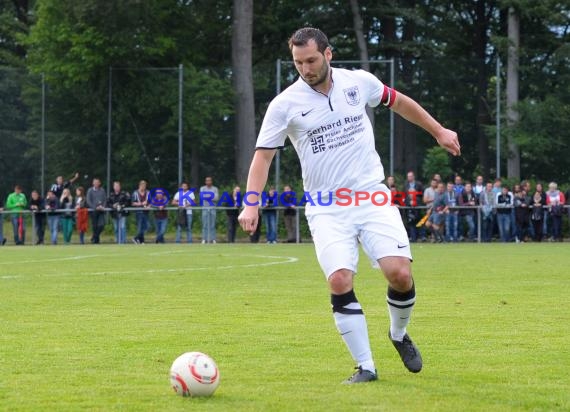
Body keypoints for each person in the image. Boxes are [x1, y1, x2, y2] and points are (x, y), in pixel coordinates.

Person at [237, 28, 460, 384]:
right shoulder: (285, 104)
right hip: (326, 206)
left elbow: (400, 102)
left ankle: (398, 335)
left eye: (310, 60)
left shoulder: (359, 83)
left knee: (400, 274)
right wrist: (252, 204)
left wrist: (438, 131)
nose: (305, 69)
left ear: (328, 54)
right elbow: (262, 158)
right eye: (298, 63)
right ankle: (366, 367)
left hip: (371, 196)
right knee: (339, 279)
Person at [86, 178, 107, 244]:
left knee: (102, 225)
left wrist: (102, 206)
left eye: (97, 182)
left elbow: (105, 199)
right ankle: (96, 240)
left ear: (99, 183)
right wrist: (95, 207)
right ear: (93, 183)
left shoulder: (102, 190)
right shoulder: (90, 190)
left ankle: (94, 237)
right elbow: (88, 201)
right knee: (95, 226)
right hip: (94, 211)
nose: (96, 183)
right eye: (95, 182)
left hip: (101, 210)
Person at [200, 177, 219, 244]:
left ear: (211, 181)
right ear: (205, 182)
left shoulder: (215, 189)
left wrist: (207, 196)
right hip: (205, 208)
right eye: (207, 180)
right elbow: (202, 197)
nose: (208, 182)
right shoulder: (202, 188)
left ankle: (213, 239)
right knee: (205, 224)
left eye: (209, 180)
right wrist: (211, 196)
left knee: (212, 225)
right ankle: (204, 239)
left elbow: (216, 198)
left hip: (213, 208)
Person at [132, 180, 150, 244]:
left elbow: (150, 202)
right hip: (139, 212)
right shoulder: (135, 193)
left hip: (146, 212)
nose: (143, 187)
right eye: (142, 185)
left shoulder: (148, 192)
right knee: (140, 227)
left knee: (147, 226)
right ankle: (141, 240)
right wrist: (141, 204)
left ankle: (137, 238)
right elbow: (133, 203)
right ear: (139, 185)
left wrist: (149, 206)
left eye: (144, 185)